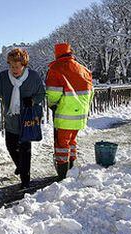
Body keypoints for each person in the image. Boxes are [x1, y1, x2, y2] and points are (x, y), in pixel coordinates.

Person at [0, 48, 45, 188]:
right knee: (10, 147)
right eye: (11, 66)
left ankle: (25, 181)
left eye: (17, 66)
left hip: (27, 122)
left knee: (25, 151)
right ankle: (20, 167)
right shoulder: (3, 78)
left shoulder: (33, 77)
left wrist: (32, 100)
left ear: (24, 64)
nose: (14, 69)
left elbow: (41, 94)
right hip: (11, 121)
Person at [45, 43, 94, 180]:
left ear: (57, 54)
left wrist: (53, 105)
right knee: (72, 141)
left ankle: (62, 174)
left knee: (62, 145)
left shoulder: (56, 69)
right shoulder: (83, 69)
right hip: (80, 115)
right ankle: (72, 169)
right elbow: (91, 93)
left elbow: (53, 94)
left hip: (64, 114)